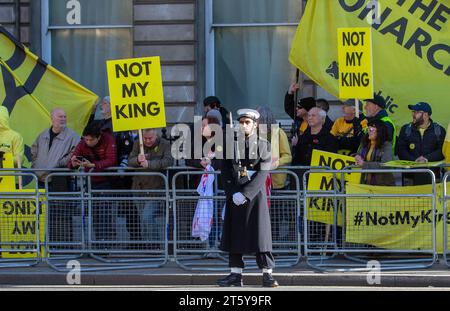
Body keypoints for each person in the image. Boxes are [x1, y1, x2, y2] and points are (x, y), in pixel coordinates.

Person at [217, 109, 278, 288]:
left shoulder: (264, 145)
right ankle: (235, 274)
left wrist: (246, 193)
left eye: (247, 122)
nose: (244, 125)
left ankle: (267, 274)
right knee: (235, 234)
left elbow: (262, 173)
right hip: (235, 192)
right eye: (241, 122)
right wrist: (233, 192)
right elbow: (226, 170)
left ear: (255, 124)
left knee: (260, 236)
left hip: (254, 195)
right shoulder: (230, 145)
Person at [69, 121, 118, 245]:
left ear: (99, 137)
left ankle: (105, 242)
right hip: (91, 182)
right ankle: (98, 241)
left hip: (107, 181)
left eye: (91, 140)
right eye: (86, 139)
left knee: (105, 214)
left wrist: (94, 165)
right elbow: (73, 158)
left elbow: (112, 160)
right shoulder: (83, 143)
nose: (88, 142)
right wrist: (73, 163)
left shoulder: (108, 139)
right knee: (95, 213)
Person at [128, 129, 173, 245]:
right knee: (143, 219)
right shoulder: (138, 143)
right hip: (139, 187)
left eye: (150, 138)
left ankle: (155, 244)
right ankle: (148, 244)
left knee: (147, 216)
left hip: (156, 188)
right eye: (145, 138)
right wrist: (138, 159)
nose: (147, 141)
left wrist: (149, 164)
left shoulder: (165, 144)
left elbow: (168, 161)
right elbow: (130, 161)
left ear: (156, 135)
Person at [396, 102, 446, 185]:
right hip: (409, 177)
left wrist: (426, 158)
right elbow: (400, 150)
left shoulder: (439, 130)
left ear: (426, 115)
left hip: (433, 177)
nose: (413, 115)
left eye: (416, 112)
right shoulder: (405, 129)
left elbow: (442, 151)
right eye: (413, 112)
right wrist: (415, 161)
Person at [31, 108, 80, 189]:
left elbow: (76, 153)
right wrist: (36, 164)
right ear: (52, 118)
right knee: (42, 202)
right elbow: (34, 150)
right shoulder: (43, 134)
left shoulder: (72, 136)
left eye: (65, 117)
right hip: (40, 179)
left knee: (59, 202)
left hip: (60, 179)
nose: (63, 119)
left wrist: (59, 163)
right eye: (60, 117)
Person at [355, 119, 395, 186]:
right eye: (368, 128)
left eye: (372, 128)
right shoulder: (364, 143)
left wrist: (364, 164)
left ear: (380, 131)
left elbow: (386, 165)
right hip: (364, 184)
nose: (369, 130)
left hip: (382, 185)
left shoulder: (387, 146)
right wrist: (356, 156)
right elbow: (358, 155)